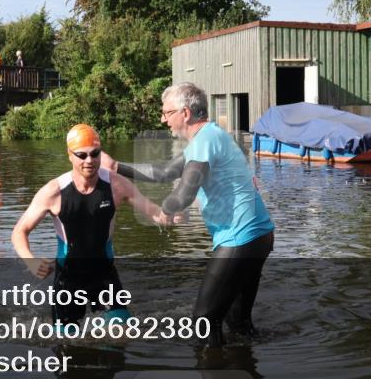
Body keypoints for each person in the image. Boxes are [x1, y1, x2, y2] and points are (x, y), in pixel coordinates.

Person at [101, 82, 274, 348]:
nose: (163, 119)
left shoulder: (205, 141)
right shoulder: (209, 137)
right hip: (258, 235)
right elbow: (165, 172)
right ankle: (247, 377)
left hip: (240, 238)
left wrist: (166, 211)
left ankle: (211, 378)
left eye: (166, 112)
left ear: (185, 113)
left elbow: (184, 194)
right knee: (237, 323)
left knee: (204, 320)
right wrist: (116, 166)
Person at [12, 124, 174, 325]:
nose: (89, 160)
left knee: (122, 334)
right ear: (70, 155)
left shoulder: (116, 185)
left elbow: (153, 212)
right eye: (82, 155)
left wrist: (170, 215)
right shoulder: (53, 191)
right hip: (68, 276)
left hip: (104, 273)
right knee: (67, 344)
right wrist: (31, 260)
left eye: (95, 154)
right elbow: (20, 231)